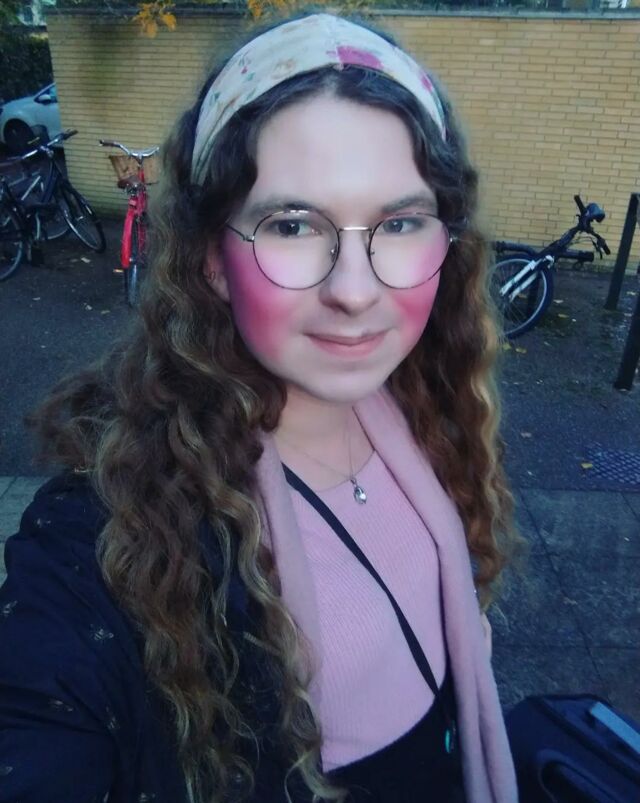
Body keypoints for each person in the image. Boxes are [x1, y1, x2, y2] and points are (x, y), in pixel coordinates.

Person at [0, 12, 519, 803]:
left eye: (400, 222)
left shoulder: (431, 418)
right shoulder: (116, 532)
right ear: (213, 259)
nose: (354, 291)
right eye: (293, 224)